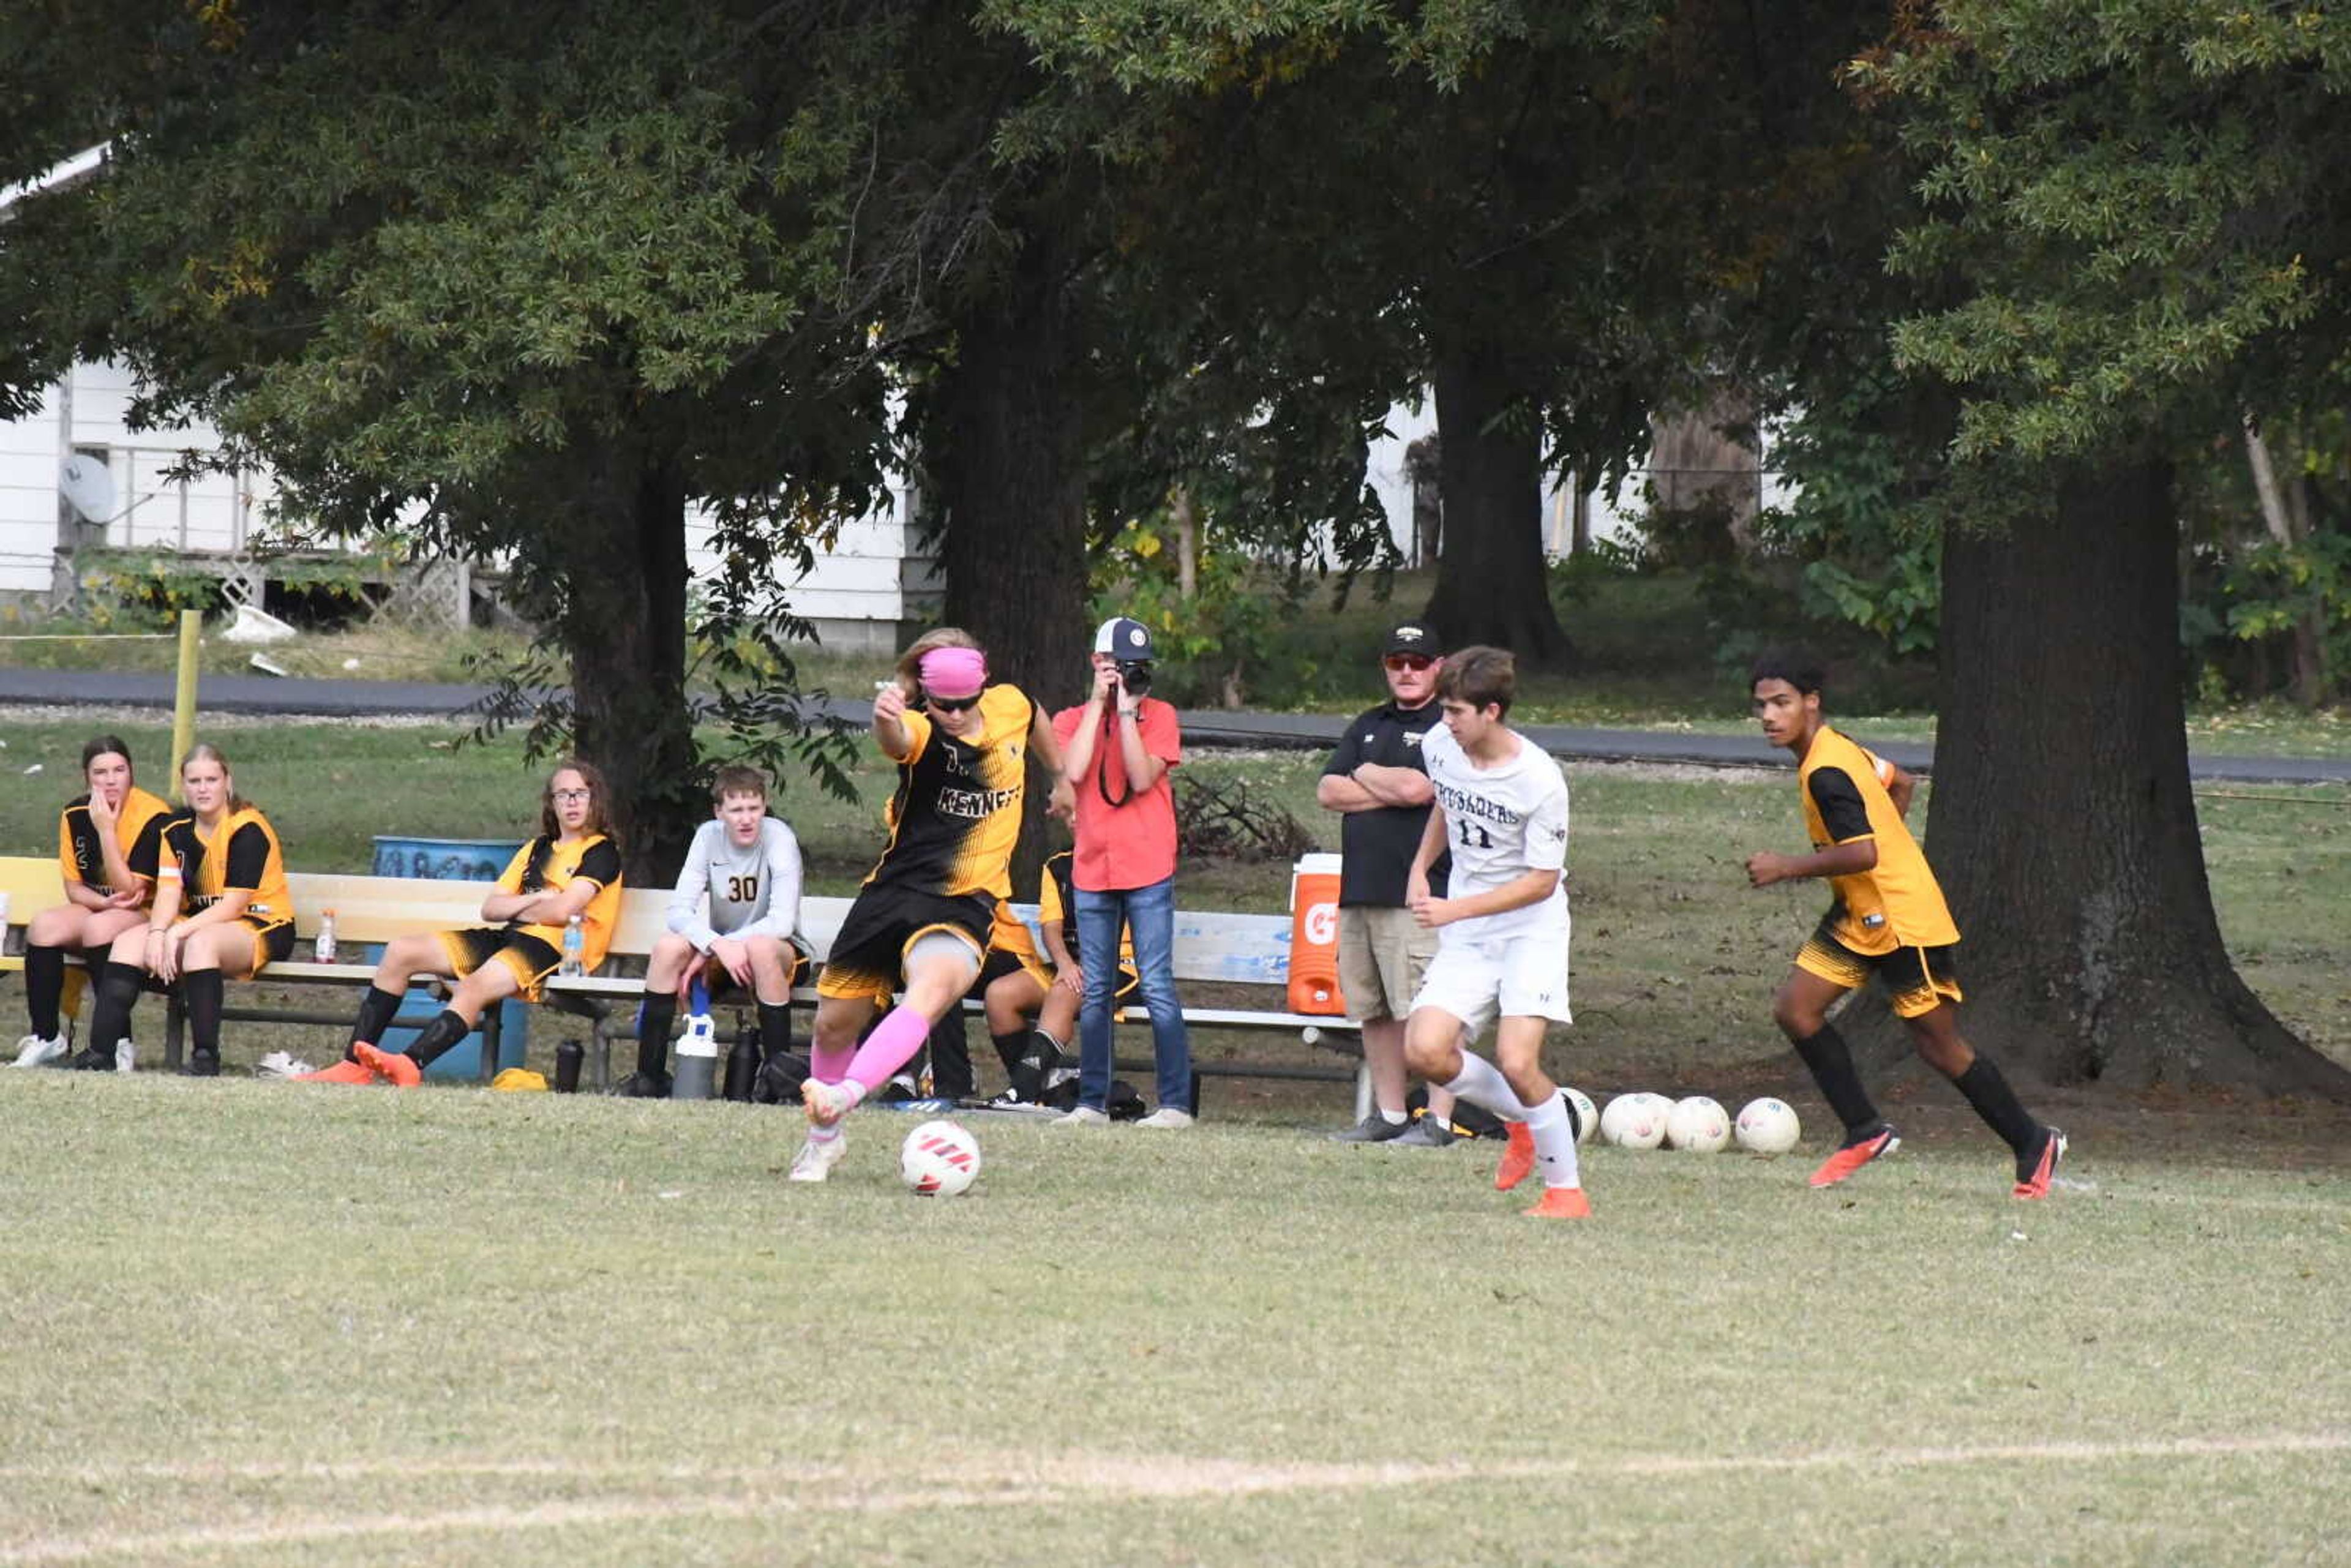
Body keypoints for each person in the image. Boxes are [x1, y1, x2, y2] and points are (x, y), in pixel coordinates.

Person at [1744, 651, 2066, 1198]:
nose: (1770, 716)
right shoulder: (1837, 747)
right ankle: (1864, 1130)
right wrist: (1889, 842)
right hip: (1859, 914)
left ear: (1811, 702)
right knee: (1796, 1010)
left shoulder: (1827, 769)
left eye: (1782, 703)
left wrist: (1788, 866)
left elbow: (1865, 852)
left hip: (1900, 917)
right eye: (1761, 706)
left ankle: (2034, 1142)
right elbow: (1903, 783)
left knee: (1940, 1046)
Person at [790, 631, 1065, 1180]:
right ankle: (825, 1140)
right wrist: (888, 713)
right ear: (928, 697)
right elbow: (895, 739)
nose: (957, 714)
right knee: (832, 1027)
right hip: (893, 892)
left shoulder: (1007, 704)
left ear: (983, 687)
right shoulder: (923, 732)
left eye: (967, 703)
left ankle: (843, 1096)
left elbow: (1034, 715)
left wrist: (1061, 775)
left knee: (930, 991)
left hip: (966, 901)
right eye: (945, 705)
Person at [1399, 647, 1590, 1220]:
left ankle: (1567, 1193)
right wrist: (1418, 867)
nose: (1445, 721)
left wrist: (1457, 911)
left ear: (1493, 711)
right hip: (1470, 928)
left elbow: (1540, 881)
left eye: (1457, 711)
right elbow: (1447, 806)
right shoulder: (1442, 745)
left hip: (1530, 931)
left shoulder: (1539, 780)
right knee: (1426, 1050)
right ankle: (1522, 1123)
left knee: (1516, 1061)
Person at [298, 760, 622, 1087]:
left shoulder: (600, 852)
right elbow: (492, 908)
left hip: (555, 950)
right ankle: (352, 1067)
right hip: (507, 937)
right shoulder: (536, 849)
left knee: (473, 986)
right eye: (563, 794)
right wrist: (535, 901)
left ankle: (410, 1064)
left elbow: (563, 912)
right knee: (402, 951)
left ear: (595, 800)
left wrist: (524, 907)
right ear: (551, 803)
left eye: (581, 793)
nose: (572, 802)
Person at [1316, 621, 1466, 1145]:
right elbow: (1328, 790)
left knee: (1430, 1008)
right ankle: (1391, 1113)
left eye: (1418, 662)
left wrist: (1364, 772)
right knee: (1374, 1010)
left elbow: (1421, 787)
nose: (1406, 671)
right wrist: (1385, 783)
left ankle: (1440, 1119)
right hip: (1361, 888)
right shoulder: (1368, 722)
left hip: (1420, 894)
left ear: (1438, 667)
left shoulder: (1446, 726)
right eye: (1396, 662)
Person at [75, 743, 294, 1076]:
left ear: (227, 782)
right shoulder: (176, 828)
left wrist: (175, 932)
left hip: (260, 922)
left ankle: (206, 1058)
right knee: (129, 943)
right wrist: (158, 932)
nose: (203, 788)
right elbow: (168, 889)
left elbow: (233, 905)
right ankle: (101, 1053)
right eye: (194, 781)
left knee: (200, 944)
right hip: (199, 922)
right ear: (183, 785)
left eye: (211, 779)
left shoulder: (247, 827)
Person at [1052, 616, 1193, 1128]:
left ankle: (1175, 1104)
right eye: (1120, 666)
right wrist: (1100, 703)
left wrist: (1130, 714)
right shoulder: (1072, 718)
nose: (1132, 675)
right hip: (1094, 865)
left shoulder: (1161, 715)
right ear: (1098, 663)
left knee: (1155, 984)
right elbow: (1073, 769)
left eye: (1139, 667)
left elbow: (1138, 776)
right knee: (1094, 991)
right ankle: (1092, 1102)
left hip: (1147, 862)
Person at [610, 764, 806, 1098]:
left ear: (764, 806)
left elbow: (782, 922)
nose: (746, 819)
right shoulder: (707, 836)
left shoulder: (779, 838)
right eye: (736, 810)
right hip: (722, 958)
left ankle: (779, 1079)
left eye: (754, 808)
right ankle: (650, 1076)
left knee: (760, 946)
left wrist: (717, 946)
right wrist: (716, 945)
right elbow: (678, 912)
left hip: (780, 953)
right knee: (669, 948)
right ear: (719, 812)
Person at [12, 736, 174, 1068]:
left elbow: (130, 890)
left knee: (99, 929)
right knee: (44, 926)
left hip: (144, 912)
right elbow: (75, 889)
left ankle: (118, 1042)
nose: (111, 780)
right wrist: (102, 904)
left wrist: (106, 831)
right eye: (101, 772)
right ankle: (46, 1037)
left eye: (120, 770)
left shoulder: (154, 815)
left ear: (132, 773)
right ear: (87, 777)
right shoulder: (74, 813)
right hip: (101, 907)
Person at [972, 845, 1138, 1107]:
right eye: (1071, 813)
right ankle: (1039, 1090)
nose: (1074, 819)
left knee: (1063, 993)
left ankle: (1022, 1093)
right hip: (1071, 965)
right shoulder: (1058, 866)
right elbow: (1051, 928)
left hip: (1120, 966)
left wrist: (1084, 969)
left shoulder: (1132, 861)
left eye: (1080, 813)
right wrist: (1065, 964)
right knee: (999, 995)